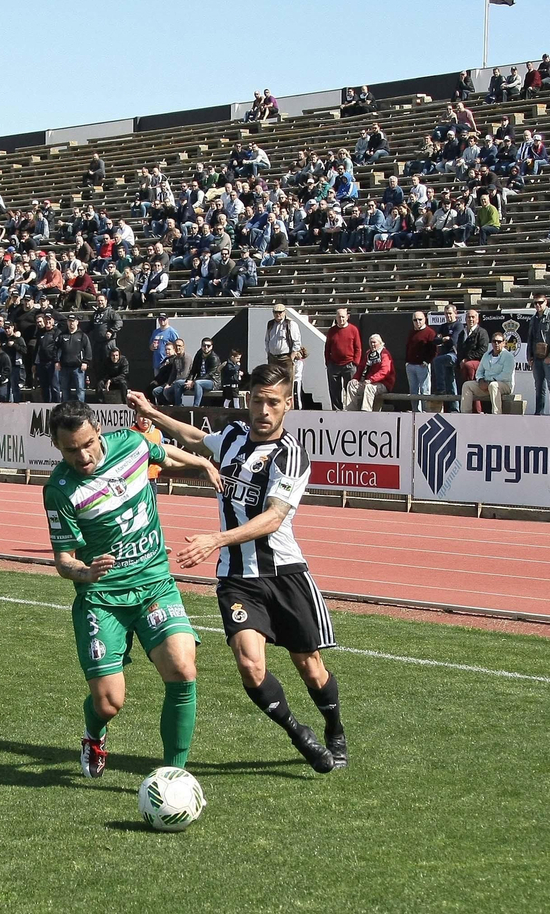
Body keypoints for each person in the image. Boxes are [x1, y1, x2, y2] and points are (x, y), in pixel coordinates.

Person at [128, 365, 345, 774]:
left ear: (288, 405)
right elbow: (195, 438)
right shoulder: (232, 437)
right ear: (248, 400)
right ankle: (300, 734)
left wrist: (215, 539)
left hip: (285, 574)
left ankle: (334, 727)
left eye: (273, 403)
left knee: (311, 668)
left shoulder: (291, 455)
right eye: (258, 401)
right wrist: (151, 412)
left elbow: (273, 518)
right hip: (236, 579)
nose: (264, 410)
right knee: (249, 665)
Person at [43, 401, 221, 778]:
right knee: (109, 702)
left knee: (182, 668)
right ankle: (94, 734)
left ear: (98, 431)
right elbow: (63, 560)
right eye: (70, 450)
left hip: (154, 582)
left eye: (87, 443)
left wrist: (201, 462)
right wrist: (85, 571)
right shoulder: (59, 490)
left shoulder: (130, 443)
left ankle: (174, 775)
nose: (83, 455)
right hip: (103, 597)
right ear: (57, 447)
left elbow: (161, 453)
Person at [526, 294, 550, 416]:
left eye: (540, 302)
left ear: (546, 302)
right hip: (537, 357)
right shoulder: (533, 319)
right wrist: (529, 356)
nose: (538, 305)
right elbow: (530, 338)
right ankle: (539, 413)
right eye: (535, 303)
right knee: (539, 387)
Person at [459, 332, 514, 414]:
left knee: (493, 385)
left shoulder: (508, 356)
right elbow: (479, 372)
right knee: (467, 385)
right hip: (486, 384)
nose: (496, 344)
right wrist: (480, 380)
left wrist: (489, 382)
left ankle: (496, 415)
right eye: (494, 341)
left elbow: (506, 375)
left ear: (504, 343)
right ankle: (465, 414)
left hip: (504, 385)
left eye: (499, 342)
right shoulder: (486, 355)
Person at [323, 307, 362, 411]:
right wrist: (328, 362)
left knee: (350, 390)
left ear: (347, 317)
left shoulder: (353, 330)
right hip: (334, 365)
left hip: (349, 364)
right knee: (334, 391)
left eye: (343, 317)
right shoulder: (332, 331)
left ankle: (352, 411)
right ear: (336, 318)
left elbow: (358, 348)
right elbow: (327, 348)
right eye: (339, 317)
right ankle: (336, 411)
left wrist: (355, 363)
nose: (341, 319)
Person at [348, 334, 394, 411]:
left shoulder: (384, 354)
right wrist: (355, 378)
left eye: (374, 342)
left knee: (369, 387)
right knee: (351, 385)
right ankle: (351, 411)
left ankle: (366, 411)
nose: (372, 345)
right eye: (370, 343)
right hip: (368, 382)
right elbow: (361, 368)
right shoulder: (368, 353)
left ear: (380, 343)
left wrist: (371, 380)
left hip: (383, 383)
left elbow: (384, 371)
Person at [429, 304, 461, 412]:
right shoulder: (443, 326)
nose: (448, 316)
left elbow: (454, 340)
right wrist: (444, 339)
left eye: (450, 313)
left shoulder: (458, 325)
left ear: (455, 314)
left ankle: (441, 388)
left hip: (454, 355)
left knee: (437, 360)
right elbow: (435, 341)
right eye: (446, 314)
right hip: (445, 355)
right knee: (450, 380)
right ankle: (454, 409)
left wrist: (443, 339)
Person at [54, 313, 93, 402]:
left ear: (77, 322)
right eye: (69, 321)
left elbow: (88, 350)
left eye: (73, 321)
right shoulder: (62, 335)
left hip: (78, 368)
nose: (71, 323)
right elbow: (55, 349)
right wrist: (56, 361)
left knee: (80, 389)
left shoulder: (82, 335)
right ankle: (65, 409)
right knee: (64, 389)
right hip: (64, 367)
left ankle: (81, 409)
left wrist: (85, 362)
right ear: (67, 322)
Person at [404, 310, 438, 410]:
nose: (417, 322)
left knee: (425, 390)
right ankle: (415, 412)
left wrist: (427, 362)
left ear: (425, 320)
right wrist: (407, 361)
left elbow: (434, 350)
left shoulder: (430, 333)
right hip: (411, 365)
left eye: (420, 319)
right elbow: (408, 347)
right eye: (415, 320)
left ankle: (425, 413)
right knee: (413, 391)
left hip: (422, 365)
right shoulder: (411, 332)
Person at [264, 304, 304, 384]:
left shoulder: (291, 324)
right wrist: (268, 352)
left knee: (287, 381)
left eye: (280, 312)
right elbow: (267, 339)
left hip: (285, 357)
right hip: (273, 358)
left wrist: (292, 357)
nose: (278, 314)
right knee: (273, 381)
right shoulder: (270, 324)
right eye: (275, 312)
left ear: (284, 312)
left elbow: (296, 341)